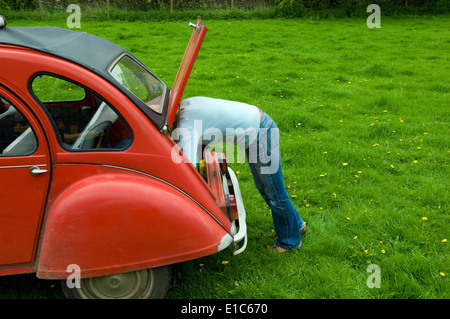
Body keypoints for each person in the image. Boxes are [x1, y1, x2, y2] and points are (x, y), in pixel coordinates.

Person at [171, 96, 306, 252]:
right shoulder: (186, 105)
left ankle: (289, 243)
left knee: (274, 192)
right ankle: (297, 225)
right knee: (265, 189)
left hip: (261, 131)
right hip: (257, 129)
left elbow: (189, 168)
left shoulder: (186, 124)